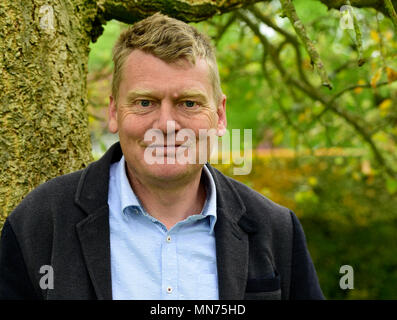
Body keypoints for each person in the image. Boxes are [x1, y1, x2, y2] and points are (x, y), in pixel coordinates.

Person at [0, 12, 324, 300]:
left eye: (189, 103)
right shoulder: (40, 222)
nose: (166, 125)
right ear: (114, 111)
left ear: (220, 115)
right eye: (145, 102)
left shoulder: (275, 229)